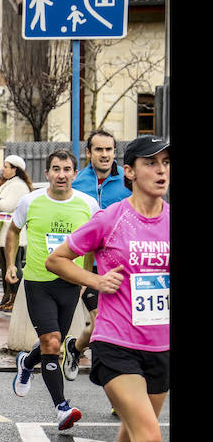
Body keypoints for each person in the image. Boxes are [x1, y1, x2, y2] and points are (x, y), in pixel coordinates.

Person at [46, 135, 169, 442]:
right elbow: (57, 259)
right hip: (116, 343)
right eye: (151, 163)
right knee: (150, 439)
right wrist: (94, 281)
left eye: (166, 162)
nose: (161, 169)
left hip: (161, 347)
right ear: (129, 172)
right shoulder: (111, 218)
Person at [6, 149, 99, 430]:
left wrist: (85, 277)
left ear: (74, 173)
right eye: (56, 169)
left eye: (67, 169)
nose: (61, 174)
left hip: (69, 284)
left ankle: (26, 363)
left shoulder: (88, 204)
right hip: (38, 283)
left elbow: (93, 244)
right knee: (52, 342)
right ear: (47, 173)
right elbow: (12, 230)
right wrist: (11, 264)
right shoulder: (30, 201)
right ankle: (62, 407)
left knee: (53, 343)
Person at [66, 130, 133, 382]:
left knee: (102, 326)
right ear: (89, 153)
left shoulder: (128, 182)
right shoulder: (78, 181)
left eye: (109, 150)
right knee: (101, 323)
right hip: (89, 264)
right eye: (99, 150)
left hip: (121, 266)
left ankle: (75, 348)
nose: (105, 155)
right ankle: (114, 385)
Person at [0, 155, 32, 311]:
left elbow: (6, 206)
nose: (3, 169)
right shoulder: (9, 185)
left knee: (13, 267)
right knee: (5, 268)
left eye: (6, 166)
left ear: (14, 169)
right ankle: (8, 297)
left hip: (13, 236)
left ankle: (16, 299)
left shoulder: (18, 186)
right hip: (2, 235)